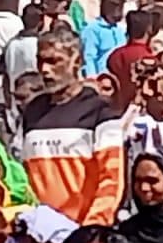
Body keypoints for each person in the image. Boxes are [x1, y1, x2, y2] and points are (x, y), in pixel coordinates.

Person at [18, 24, 128, 232]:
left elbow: (112, 180)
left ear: (76, 61)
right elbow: (23, 178)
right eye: (40, 61)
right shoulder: (32, 112)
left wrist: (91, 229)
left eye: (53, 61)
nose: (44, 70)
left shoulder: (101, 112)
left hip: (81, 234)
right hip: (37, 237)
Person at [83, 0, 130, 79]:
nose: (119, 11)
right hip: (102, 77)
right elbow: (89, 56)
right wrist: (92, 78)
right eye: (116, 7)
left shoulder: (119, 30)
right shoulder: (93, 29)